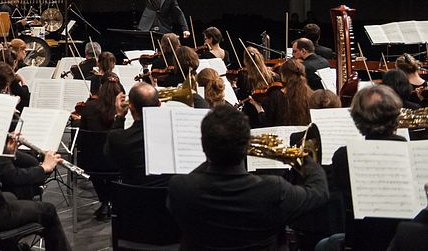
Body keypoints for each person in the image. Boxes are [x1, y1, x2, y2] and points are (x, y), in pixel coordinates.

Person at [167, 104, 329, 250]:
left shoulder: (181, 188)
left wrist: (214, 152)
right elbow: (320, 191)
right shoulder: (273, 190)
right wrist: (301, 158)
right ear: (246, 144)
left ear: (203, 145)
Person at [318, 85, 408, 251]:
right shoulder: (414, 153)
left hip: (362, 239)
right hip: (406, 239)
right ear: (397, 115)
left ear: (357, 120)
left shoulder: (343, 156)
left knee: (323, 245)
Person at [73, 72, 123, 220]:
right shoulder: (124, 111)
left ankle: (105, 201)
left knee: (96, 160)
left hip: (91, 164)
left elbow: (81, 139)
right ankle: (110, 201)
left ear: (100, 88)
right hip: (117, 164)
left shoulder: (88, 107)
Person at [105, 82, 171, 186]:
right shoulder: (172, 135)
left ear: (131, 108)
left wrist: (119, 117)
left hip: (131, 199)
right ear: (159, 105)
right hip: (167, 199)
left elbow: (109, 159)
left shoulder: (118, 138)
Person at [252, 58, 313, 126]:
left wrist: (259, 108)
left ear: (284, 76)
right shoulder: (311, 94)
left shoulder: (276, 95)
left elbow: (267, 123)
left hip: (282, 134)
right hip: (305, 133)